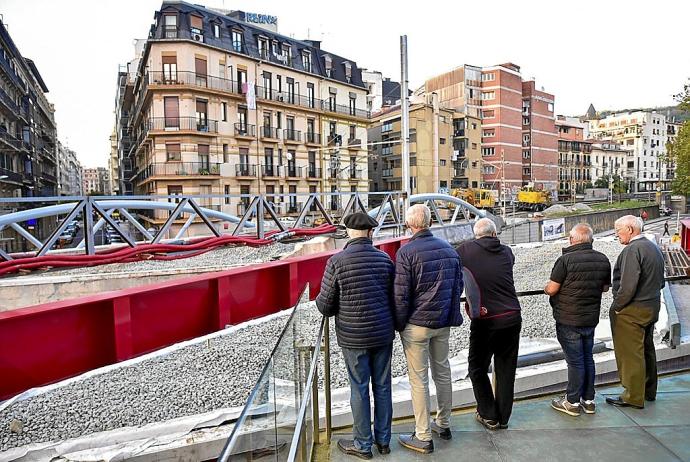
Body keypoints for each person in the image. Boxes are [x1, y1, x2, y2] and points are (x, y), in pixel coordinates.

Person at [316, 212, 395, 459]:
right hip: (382, 333)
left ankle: (362, 445)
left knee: (359, 388)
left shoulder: (337, 262)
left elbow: (326, 305)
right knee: (383, 386)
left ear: (349, 233)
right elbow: (394, 297)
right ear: (370, 233)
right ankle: (383, 441)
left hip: (353, 337)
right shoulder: (384, 260)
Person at [394, 204, 463, 454]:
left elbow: (401, 295)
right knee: (442, 373)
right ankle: (443, 424)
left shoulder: (407, 252)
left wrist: (400, 324)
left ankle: (422, 435)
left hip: (417, 326)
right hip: (442, 323)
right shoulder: (449, 250)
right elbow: (458, 287)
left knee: (418, 380)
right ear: (430, 222)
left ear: (409, 225)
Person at [457, 218, 522, 430]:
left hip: (486, 319)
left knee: (477, 367)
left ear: (476, 235)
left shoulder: (464, 251)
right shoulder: (507, 252)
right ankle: (503, 417)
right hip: (512, 315)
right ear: (494, 234)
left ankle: (488, 414)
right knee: (506, 368)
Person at [544, 223, 611, 416]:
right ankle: (588, 400)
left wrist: (546, 288)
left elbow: (553, 288)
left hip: (568, 319)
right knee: (587, 358)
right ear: (590, 239)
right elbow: (605, 288)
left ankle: (572, 402)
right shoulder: (602, 259)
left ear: (572, 239)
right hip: (590, 318)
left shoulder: (565, 260)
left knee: (575, 361)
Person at [607, 215, 665, 409]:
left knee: (631, 354)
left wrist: (617, 306)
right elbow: (662, 281)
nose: (617, 235)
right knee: (647, 350)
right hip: (652, 306)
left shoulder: (633, 250)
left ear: (630, 229)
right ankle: (648, 391)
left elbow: (627, 287)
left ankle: (632, 396)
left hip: (633, 311)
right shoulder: (652, 247)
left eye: (618, 231)